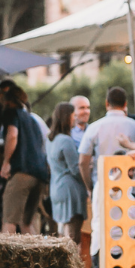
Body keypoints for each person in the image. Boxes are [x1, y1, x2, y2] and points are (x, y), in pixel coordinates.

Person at [78, 87, 135, 268]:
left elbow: (83, 161)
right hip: (133, 192)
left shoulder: (94, 127)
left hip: (103, 190)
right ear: (125, 105)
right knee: (130, 232)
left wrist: (90, 186)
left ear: (106, 104)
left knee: (103, 231)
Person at [0, 84, 50, 235]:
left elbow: (12, 135)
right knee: (26, 224)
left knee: (9, 221)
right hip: (40, 175)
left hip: (22, 173)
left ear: (6, 99)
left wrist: (6, 161)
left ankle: (5, 258)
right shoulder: (32, 119)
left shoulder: (11, 113)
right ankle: (37, 258)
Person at [46, 102, 89, 244]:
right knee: (72, 237)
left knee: (63, 233)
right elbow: (76, 169)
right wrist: (90, 182)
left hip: (56, 188)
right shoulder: (66, 141)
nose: (75, 119)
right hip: (71, 191)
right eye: (73, 116)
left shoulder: (50, 140)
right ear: (67, 117)